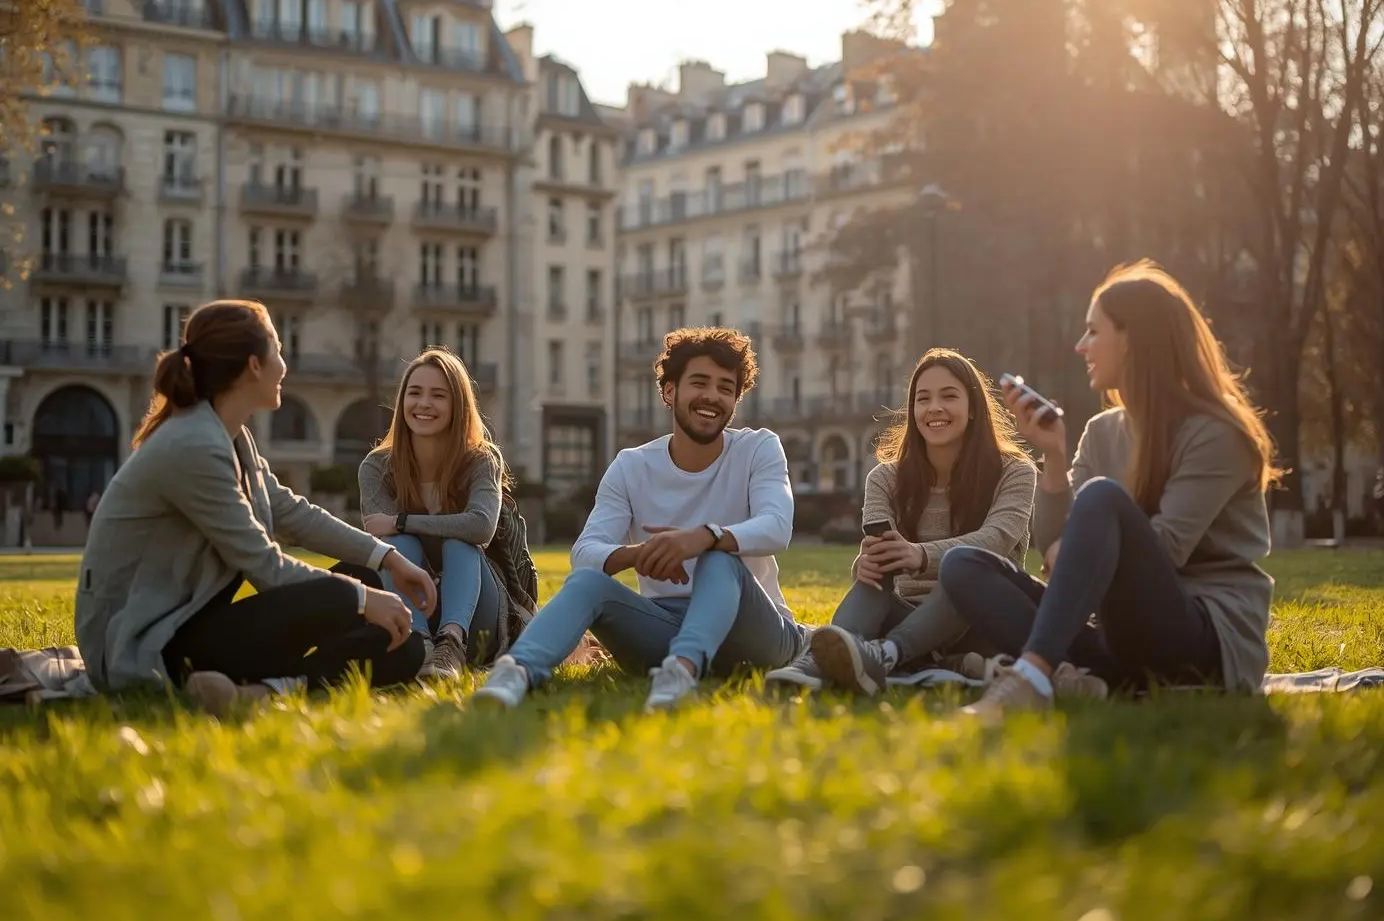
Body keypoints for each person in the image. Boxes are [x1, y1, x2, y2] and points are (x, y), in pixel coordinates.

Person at [938, 260, 1279, 716]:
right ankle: (1088, 680)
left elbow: (1168, 549)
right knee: (963, 565)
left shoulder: (1216, 433)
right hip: (1120, 634)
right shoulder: (1101, 432)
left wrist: (1081, 549)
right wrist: (1054, 456)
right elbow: (1051, 547)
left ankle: (1033, 678)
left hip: (1204, 639)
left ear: (1134, 338)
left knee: (1101, 496)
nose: (1081, 346)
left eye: (1093, 332)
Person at [75, 300, 437, 715]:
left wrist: (387, 559)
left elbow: (290, 511)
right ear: (253, 365)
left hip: (193, 628)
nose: (284, 366)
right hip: (144, 647)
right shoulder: (192, 445)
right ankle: (286, 683)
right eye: (278, 351)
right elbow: (266, 567)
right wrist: (359, 599)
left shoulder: (230, 436)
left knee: (401, 644)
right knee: (351, 596)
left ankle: (271, 691)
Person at [475, 326, 803, 712]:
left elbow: (777, 527)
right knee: (587, 582)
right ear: (669, 391)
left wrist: (704, 537)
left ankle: (679, 675)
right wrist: (640, 554)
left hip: (754, 629)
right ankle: (516, 673)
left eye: (725, 388)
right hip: (665, 626)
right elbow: (585, 554)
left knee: (718, 559)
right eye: (700, 382)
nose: (712, 396)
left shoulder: (758, 448)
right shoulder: (632, 465)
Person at [767, 349, 1037, 695]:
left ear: (974, 409)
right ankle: (820, 663)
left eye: (949, 396)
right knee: (876, 572)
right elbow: (882, 558)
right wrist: (865, 564)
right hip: (906, 615)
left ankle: (887, 656)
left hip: (980, 619)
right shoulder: (885, 478)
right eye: (923, 399)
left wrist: (920, 555)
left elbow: (996, 540)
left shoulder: (1015, 472)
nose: (934, 408)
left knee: (965, 572)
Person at [358, 348, 508, 680]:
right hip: (406, 607)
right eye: (415, 393)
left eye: (438, 395)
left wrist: (401, 520)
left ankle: (450, 646)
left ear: (458, 406)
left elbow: (481, 527)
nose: (424, 403)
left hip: (475, 612)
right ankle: (420, 647)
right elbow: (376, 535)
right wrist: (401, 529)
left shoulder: (481, 460)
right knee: (399, 546)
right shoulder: (377, 467)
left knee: (459, 541)